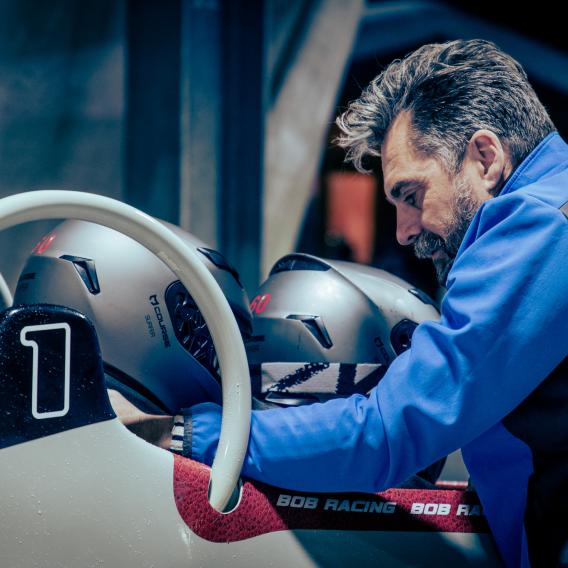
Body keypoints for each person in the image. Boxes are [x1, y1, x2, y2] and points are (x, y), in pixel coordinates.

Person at [112, 39, 568, 567]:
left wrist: (189, 432)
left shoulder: (541, 226)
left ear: (485, 159)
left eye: (412, 196)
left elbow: (387, 431)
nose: (402, 232)